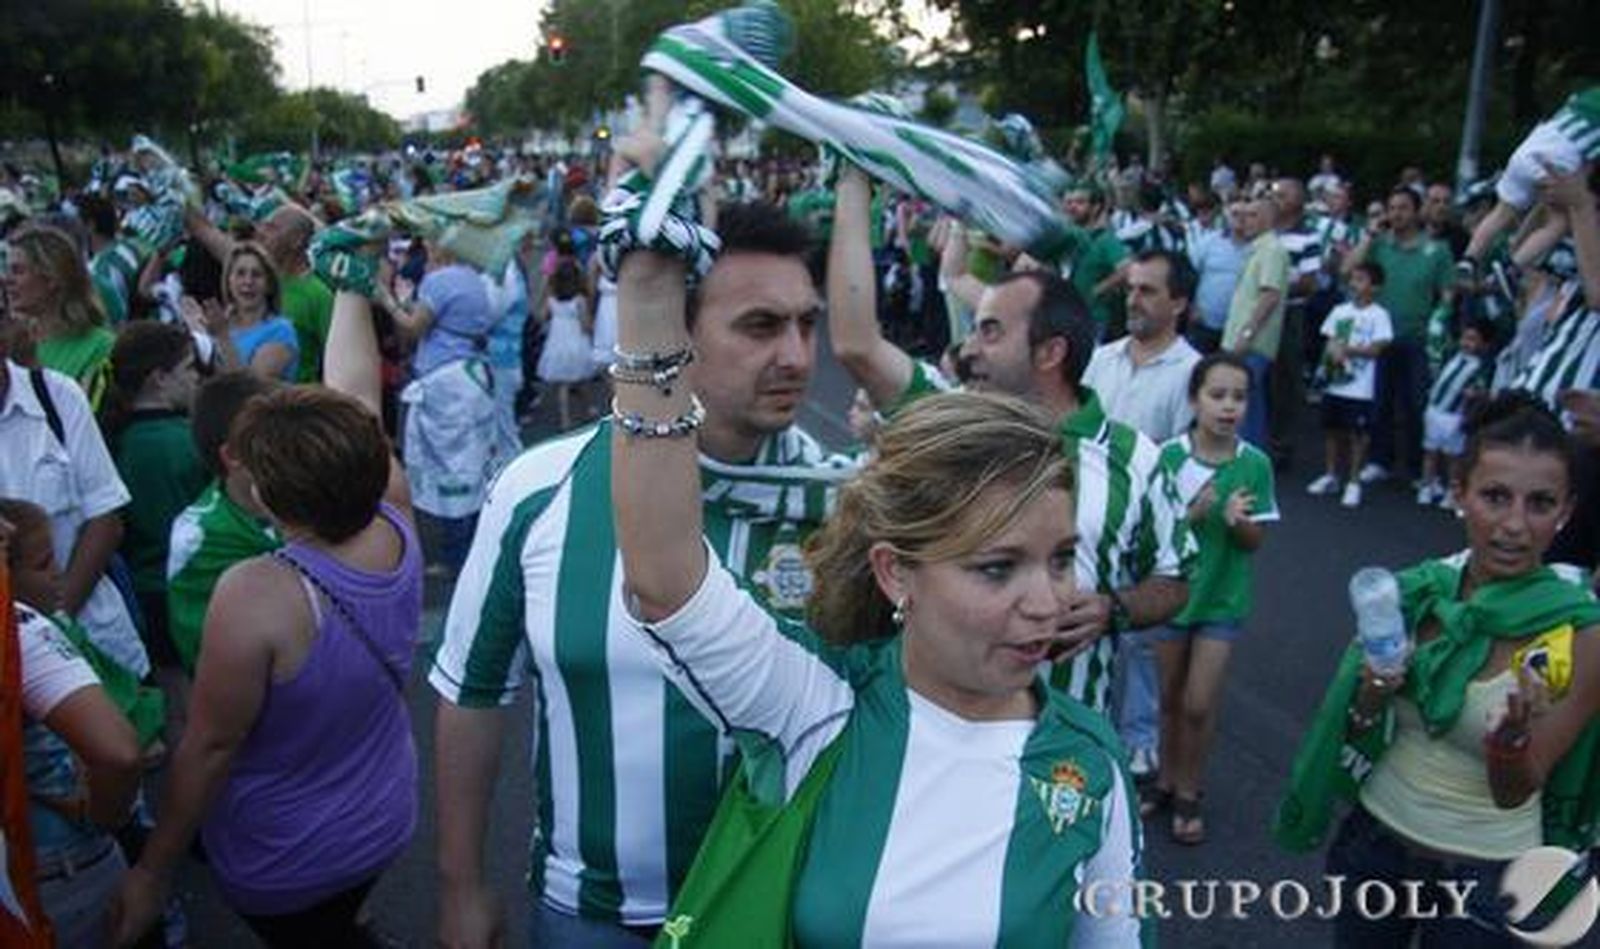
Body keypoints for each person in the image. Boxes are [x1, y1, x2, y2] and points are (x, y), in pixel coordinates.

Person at [608, 202, 1142, 944]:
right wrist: (646, 305)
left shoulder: (1089, 761)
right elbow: (666, 577)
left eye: (1058, 559)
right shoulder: (818, 708)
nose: (1049, 602)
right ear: (896, 575)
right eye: (997, 567)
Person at [430, 202, 855, 947]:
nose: (796, 355)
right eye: (761, 326)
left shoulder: (844, 505)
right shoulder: (540, 488)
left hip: (784, 898)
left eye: (806, 324)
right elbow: (473, 693)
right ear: (676, 332)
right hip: (592, 916)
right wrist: (462, 885)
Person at [827, 165, 1191, 788]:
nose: (970, 348)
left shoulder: (1139, 461)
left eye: (991, 332)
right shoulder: (955, 423)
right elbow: (857, 342)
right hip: (935, 753)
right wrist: (855, 181)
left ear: (1049, 354)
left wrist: (1113, 609)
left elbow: (1175, 580)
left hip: (1065, 765)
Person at [113, 287, 422, 947]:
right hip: (387, 817)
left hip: (289, 853)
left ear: (268, 490)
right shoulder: (394, 511)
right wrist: (349, 289)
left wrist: (152, 868)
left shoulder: (256, 591)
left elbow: (210, 745)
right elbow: (359, 394)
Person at [1275, 392, 1600, 946]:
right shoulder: (1416, 595)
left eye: (1540, 503)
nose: (1515, 525)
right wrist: (1374, 691)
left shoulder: (1581, 633)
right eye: (1495, 497)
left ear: (1566, 512)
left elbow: (1517, 791)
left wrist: (1511, 741)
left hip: (1487, 882)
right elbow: (1355, 730)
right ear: (1459, 494)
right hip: (1374, 847)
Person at [1148, 353, 1277, 845]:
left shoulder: (1255, 464)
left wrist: (1237, 521)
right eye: (1217, 395)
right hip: (1172, 597)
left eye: (1239, 397)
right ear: (1194, 399)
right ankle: (1163, 781)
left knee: (1199, 704)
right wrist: (1191, 514)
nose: (1228, 407)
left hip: (1222, 601)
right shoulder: (1170, 456)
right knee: (1168, 700)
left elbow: (1256, 542)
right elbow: (1154, 530)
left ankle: (1190, 791)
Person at [3, 499, 142, 949]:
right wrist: (105, 815)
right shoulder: (22, 630)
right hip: (62, 864)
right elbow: (119, 753)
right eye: (45, 564)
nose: (59, 573)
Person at [375, 243, 500, 573]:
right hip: (474, 375)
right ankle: (474, 552)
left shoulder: (441, 279)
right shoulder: (474, 277)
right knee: (472, 465)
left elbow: (413, 327)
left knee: (451, 470)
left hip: (446, 380)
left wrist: (388, 298)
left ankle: (460, 559)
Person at [100, 322, 208, 681]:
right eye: (190, 368)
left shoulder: (110, 440)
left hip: (138, 596)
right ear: (159, 378)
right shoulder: (189, 443)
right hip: (190, 592)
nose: (197, 378)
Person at [165, 371, 282, 676]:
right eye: (275, 434)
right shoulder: (199, 536)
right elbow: (204, 651)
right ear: (233, 455)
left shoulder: (312, 503)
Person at [1344, 187, 1454, 483]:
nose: (1396, 214)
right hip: (1379, 337)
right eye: (1392, 208)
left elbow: (1447, 293)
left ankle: (1418, 468)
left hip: (1416, 337)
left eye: (1403, 207)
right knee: (1379, 401)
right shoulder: (1379, 245)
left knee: (1416, 403)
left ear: (1417, 211)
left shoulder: (1437, 250)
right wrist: (1368, 236)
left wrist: (1439, 327)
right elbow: (1348, 269)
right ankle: (1381, 460)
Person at [1084, 248, 1203, 443]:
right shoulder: (1101, 358)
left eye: (1146, 291)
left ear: (1179, 305)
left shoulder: (1192, 372)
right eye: (1130, 289)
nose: (1132, 301)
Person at [1307, 262, 1394, 508]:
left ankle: (1354, 481)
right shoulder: (1339, 311)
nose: (1355, 285)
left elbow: (1377, 348)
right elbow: (1329, 341)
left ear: (1375, 287)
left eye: (1361, 280)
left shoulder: (1379, 315)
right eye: (1353, 280)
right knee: (1332, 430)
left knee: (1358, 434)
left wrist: (1348, 350)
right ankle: (1331, 474)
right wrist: (1325, 370)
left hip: (1360, 387)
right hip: (1336, 383)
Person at [4, 225, 115, 407]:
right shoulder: (10, 341)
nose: (6, 280)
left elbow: (85, 420)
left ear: (52, 278)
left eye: (18, 271)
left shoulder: (100, 347)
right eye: (7, 271)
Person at [1222, 198, 1290, 450]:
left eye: (1251, 215)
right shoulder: (1258, 249)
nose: (1244, 220)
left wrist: (1247, 333)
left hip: (1251, 343)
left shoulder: (1272, 249)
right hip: (1243, 340)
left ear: (1267, 219)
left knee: (1245, 404)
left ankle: (1249, 461)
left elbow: (1270, 295)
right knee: (1249, 402)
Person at [183, 242, 299, 382]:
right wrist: (198, 334)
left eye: (256, 275)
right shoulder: (218, 324)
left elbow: (249, 388)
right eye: (240, 274)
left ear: (269, 284)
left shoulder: (280, 330)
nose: (248, 282)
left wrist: (222, 337)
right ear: (228, 281)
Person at [1419, 320, 1492, 508]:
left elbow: (1483, 392)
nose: (1466, 343)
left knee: (1453, 458)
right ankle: (1426, 486)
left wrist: (1475, 394)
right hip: (1434, 409)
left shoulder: (1480, 367)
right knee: (1430, 452)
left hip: (1454, 415)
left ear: (1483, 345)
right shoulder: (1451, 355)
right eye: (1464, 338)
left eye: (1473, 339)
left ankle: (1451, 492)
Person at [535, 258, 594, 431]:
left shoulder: (552, 299)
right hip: (576, 342)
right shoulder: (579, 300)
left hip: (557, 341)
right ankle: (588, 410)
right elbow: (585, 325)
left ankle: (565, 419)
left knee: (563, 385)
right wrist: (590, 330)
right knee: (582, 379)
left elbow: (542, 316)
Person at [1188, 200, 1251, 353]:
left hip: (1238, 326)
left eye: (1246, 215)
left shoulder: (1258, 247)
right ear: (1226, 216)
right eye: (1235, 214)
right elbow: (1189, 274)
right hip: (1203, 321)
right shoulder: (1209, 241)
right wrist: (1192, 307)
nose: (1240, 219)